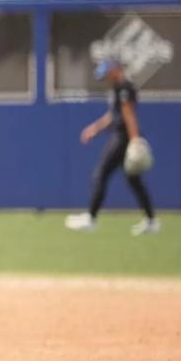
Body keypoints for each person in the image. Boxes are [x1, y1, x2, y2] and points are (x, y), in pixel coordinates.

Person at [65, 59, 159, 235]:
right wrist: (95, 128)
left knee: (100, 174)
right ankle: (151, 220)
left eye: (107, 73)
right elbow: (113, 114)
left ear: (114, 69)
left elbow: (128, 114)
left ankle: (91, 219)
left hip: (123, 137)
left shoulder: (125, 87)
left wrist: (134, 140)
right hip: (123, 136)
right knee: (133, 180)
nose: (106, 78)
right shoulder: (118, 87)